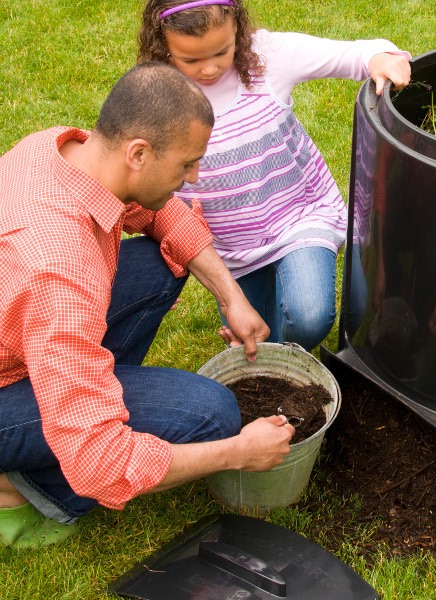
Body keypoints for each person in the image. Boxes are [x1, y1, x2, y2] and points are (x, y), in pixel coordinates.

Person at [0, 62, 295, 549]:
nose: (195, 177)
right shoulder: (61, 270)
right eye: (186, 164)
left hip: (25, 331)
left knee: (159, 265)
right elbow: (100, 463)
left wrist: (232, 297)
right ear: (138, 152)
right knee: (211, 415)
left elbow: (161, 214)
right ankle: (20, 487)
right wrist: (238, 452)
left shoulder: (62, 151)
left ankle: (84, 393)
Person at [137, 0, 412, 350]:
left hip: (297, 218)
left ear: (238, 28)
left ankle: (281, 356)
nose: (209, 69)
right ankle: (271, 362)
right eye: (190, 60)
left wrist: (379, 59)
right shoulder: (156, 93)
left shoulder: (266, 57)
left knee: (309, 317)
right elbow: (148, 185)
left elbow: (356, 54)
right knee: (253, 334)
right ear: (163, 45)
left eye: (221, 52)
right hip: (228, 248)